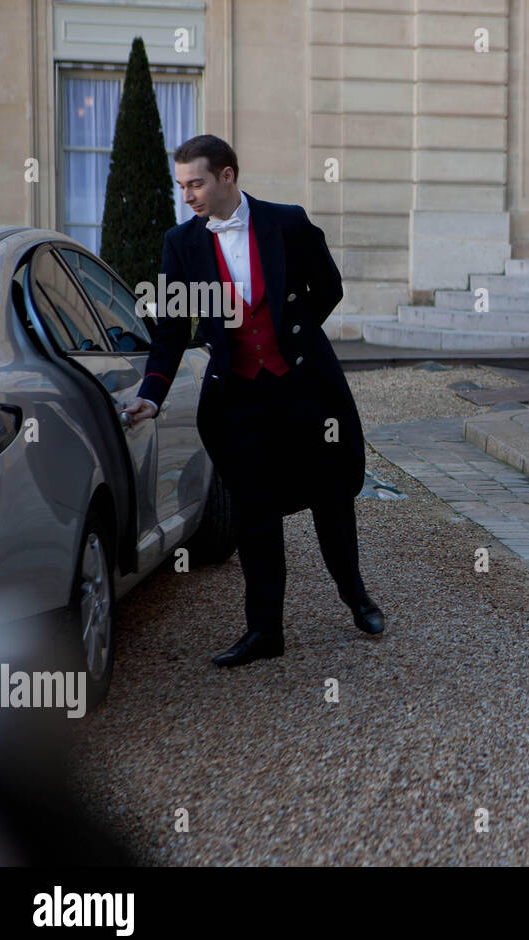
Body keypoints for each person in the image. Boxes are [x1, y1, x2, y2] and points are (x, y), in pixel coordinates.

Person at [119, 134, 384, 667]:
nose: (188, 195)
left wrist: (293, 335)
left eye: (196, 183)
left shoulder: (287, 222)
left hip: (304, 389)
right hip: (238, 398)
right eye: (182, 186)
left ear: (227, 175)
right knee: (254, 515)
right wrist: (151, 393)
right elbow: (171, 328)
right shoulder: (181, 243)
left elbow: (328, 286)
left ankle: (356, 596)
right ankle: (265, 632)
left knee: (332, 499)